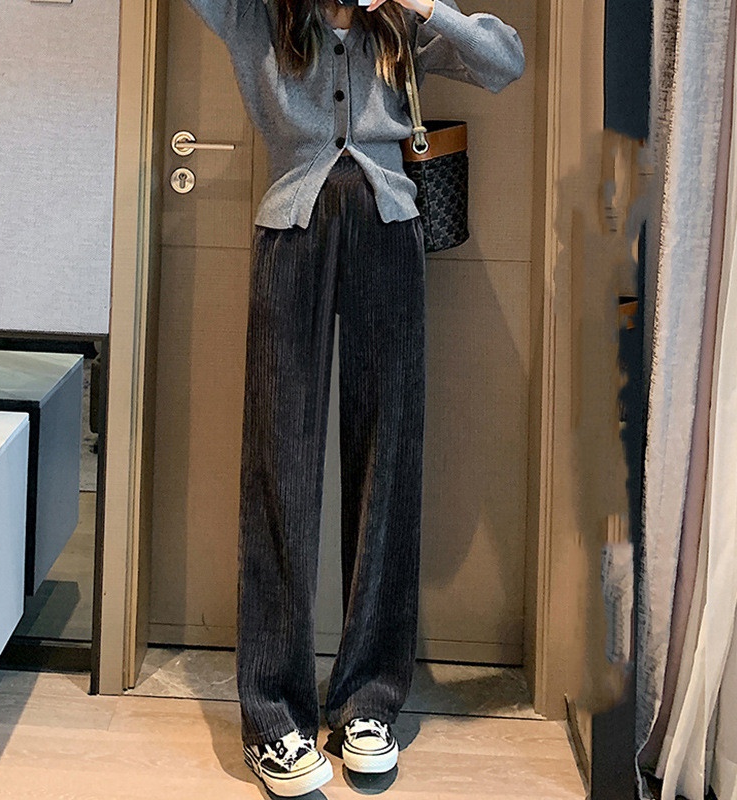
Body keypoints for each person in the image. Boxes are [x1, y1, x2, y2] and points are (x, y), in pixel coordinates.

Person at [183, 0, 525, 794]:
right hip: (289, 238)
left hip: (390, 234)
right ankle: (274, 713)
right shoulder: (259, 18)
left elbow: (504, 61)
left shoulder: (400, 25)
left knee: (388, 463)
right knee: (279, 469)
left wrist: (422, 3)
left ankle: (369, 702)